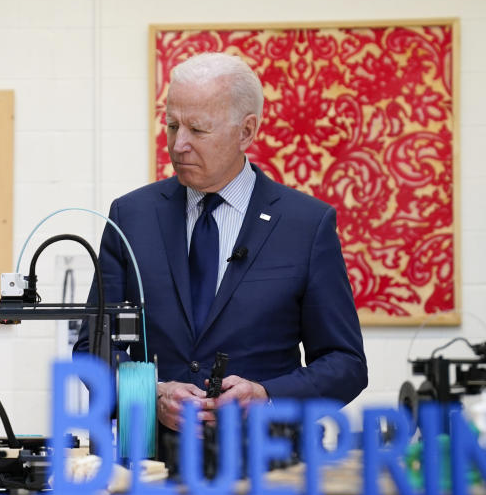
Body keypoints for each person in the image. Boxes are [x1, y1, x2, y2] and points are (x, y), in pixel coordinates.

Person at [75, 52, 367, 455]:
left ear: (246, 132)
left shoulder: (306, 225)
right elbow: (92, 348)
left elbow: (345, 364)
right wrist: (151, 393)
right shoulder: (131, 216)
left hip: (267, 465)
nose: (178, 144)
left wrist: (266, 396)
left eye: (197, 129)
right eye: (172, 125)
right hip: (148, 463)